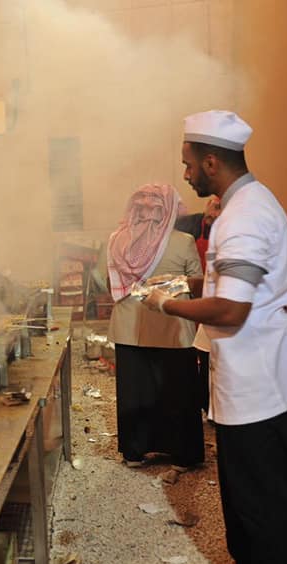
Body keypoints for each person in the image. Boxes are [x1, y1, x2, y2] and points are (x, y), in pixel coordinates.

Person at [143, 110, 287, 564]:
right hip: (246, 376)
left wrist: (166, 304)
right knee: (240, 492)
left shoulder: (244, 216)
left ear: (210, 162)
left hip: (261, 384)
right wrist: (187, 290)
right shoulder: (246, 203)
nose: (185, 174)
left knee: (263, 500)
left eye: (187, 164)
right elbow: (236, 292)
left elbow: (230, 309)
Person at [106, 184, 204, 469]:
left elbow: (108, 282)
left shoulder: (116, 241)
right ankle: (182, 454)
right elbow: (197, 282)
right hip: (172, 327)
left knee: (135, 390)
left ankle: (134, 452)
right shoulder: (184, 241)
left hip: (129, 328)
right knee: (177, 392)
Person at [174, 195, 222, 416]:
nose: (213, 212)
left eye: (219, 208)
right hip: (194, 293)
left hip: (213, 298)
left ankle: (211, 406)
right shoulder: (191, 226)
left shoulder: (228, 236)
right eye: (212, 206)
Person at [175, 195, 222, 271]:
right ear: (208, 204)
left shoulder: (228, 233)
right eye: (216, 207)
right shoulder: (185, 223)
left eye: (223, 211)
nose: (216, 215)